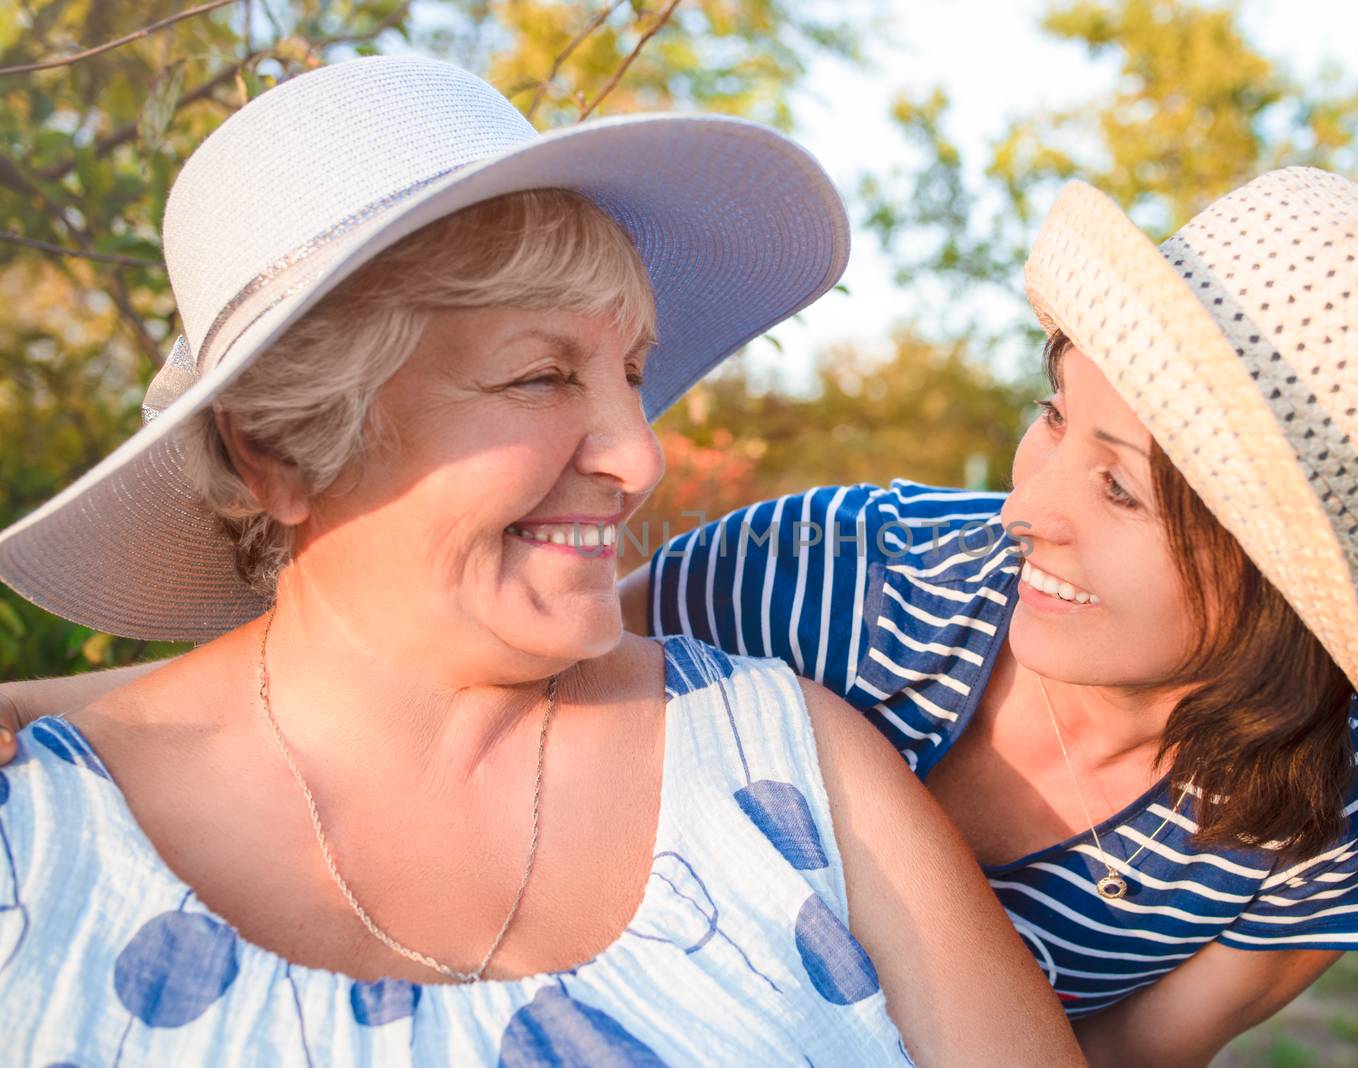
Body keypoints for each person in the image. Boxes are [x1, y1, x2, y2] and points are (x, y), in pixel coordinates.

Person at [0, 143, 1358, 1068]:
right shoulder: (831, 585)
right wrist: (72, 718)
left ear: (1289, 598)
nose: (1027, 504)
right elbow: (454, 643)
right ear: (278, 449)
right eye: (1054, 415)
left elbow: (1128, 1053)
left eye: (1124, 491)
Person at [0, 56, 1081, 1067]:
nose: (638, 456)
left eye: (633, 373)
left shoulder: (791, 763)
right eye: (539, 378)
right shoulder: (33, 830)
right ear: (277, 449)